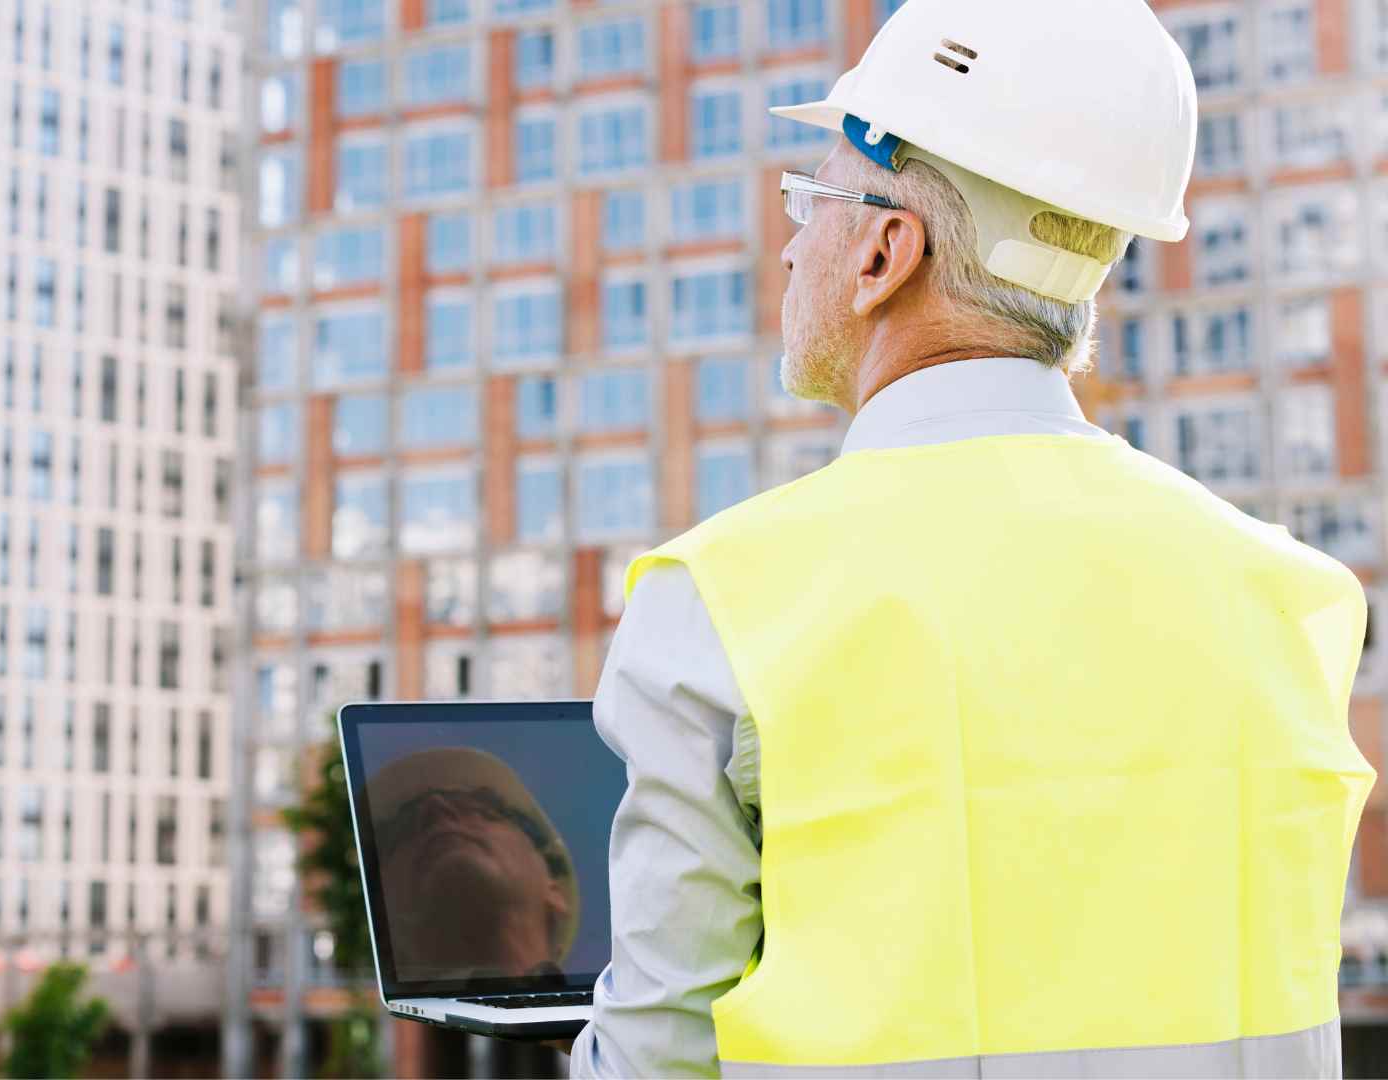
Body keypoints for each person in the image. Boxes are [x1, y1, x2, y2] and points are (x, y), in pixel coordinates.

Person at [564, 0, 1376, 1076]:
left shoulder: (723, 599)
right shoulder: (1292, 595)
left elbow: (654, 1054)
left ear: (886, 253)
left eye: (809, 202)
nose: (792, 244)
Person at [368, 747, 580, 981]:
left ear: (554, 890)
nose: (436, 807)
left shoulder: (614, 1011)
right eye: (403, 827)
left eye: (481, 810)